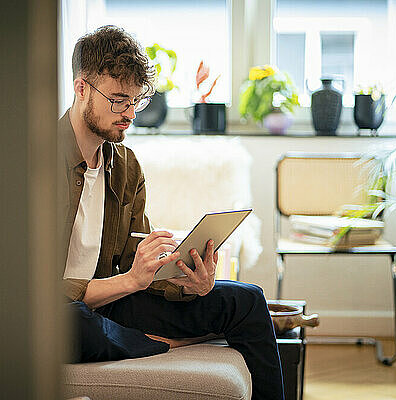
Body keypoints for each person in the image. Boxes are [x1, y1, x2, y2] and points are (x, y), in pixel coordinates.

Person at [59, 25, 284, 400]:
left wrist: (185, 281)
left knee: (246, 300)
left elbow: (138, 263)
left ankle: (137, 339)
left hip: (112, 306)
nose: (129, 113)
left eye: (136, 101)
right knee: (71, 322)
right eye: (118, 100)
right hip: (59, 314)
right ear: (82, 89)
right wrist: (129, 282)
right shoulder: (33, 163)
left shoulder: (126, 165)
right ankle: (162, 344)